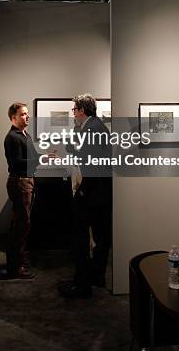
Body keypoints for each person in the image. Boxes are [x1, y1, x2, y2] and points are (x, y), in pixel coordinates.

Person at [59, 93, 112, 298]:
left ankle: (82, 284)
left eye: (74, 110)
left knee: (81, 237)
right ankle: (96, 276)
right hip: (100, 193)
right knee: (100, 236)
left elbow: (91, 165)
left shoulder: (91, 129)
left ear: (82, 110)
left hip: (91, 194)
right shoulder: (95, 126)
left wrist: (81, 191)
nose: (73, 113)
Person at [4, 102, 52, 279]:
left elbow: (31, 157)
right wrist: (40, 160)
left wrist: (43, 157)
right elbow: (16, 163)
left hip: (27, 181)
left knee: (22, 223)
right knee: (21, 225)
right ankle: (15, 267)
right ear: (13, 117)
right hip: (20, 182)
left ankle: (19, 261)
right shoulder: (12, 138)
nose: (27, 116)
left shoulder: (25, 135)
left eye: (27, 113)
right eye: (23, 114)